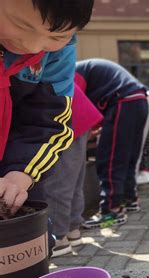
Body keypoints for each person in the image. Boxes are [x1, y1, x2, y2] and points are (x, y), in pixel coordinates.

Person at [0, 0, 93, 253]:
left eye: (57, 35)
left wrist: (20, 175)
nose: (31, 46)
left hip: (20, 162)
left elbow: (49, 121)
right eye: (21, 25)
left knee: (32, 243)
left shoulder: (59, 53)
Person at [75, 59, 149, 228]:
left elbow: (77, 103)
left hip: (122, 101)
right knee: (127, 156)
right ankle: (129, 199)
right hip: (139, 101)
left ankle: (111, 212)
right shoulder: (87, 68)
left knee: (110, 158)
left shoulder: (73, 72)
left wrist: (85, 132)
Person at [47, 80, 103, 257]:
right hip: (76, 115)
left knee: (58, 183)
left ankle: (58, 239)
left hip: (63, 118)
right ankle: (73, 231)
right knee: (74, 180)